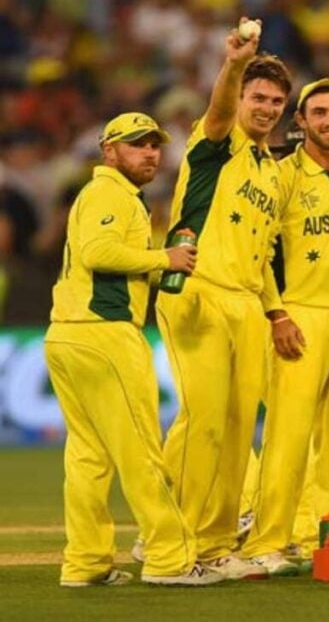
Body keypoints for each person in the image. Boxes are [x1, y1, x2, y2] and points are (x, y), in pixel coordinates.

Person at [44, 113, 221, 587]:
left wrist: (159, 269)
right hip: (104, 335)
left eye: (154, 145)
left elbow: (105, 259)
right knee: (142, 450)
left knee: (88, 457)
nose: (150, 153)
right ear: (109, 151)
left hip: (68, 334)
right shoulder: (110, 193)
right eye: (137, 145)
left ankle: (85, 562)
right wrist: (164, 258)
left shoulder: (111, 196)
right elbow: (98, 253)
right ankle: (169, 558)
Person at [156, 19, 290, 580]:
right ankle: (167, 542)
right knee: (204, 420)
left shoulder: (275, 174)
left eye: (277, 101)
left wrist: (276, 310)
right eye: (257, 97)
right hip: (198, 291)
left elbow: (261, 255)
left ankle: (212, 545)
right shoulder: (217, 142)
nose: (265, 108)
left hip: (245, 303)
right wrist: (235, 64)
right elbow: (218, 108)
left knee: (236, 430)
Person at [240, 78, 329, 574]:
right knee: (287, 438)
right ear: (300, 122)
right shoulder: (280, 176)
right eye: (318, 113)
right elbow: (259, 252)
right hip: (301, 313)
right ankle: (266, 544)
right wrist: (276, 313)